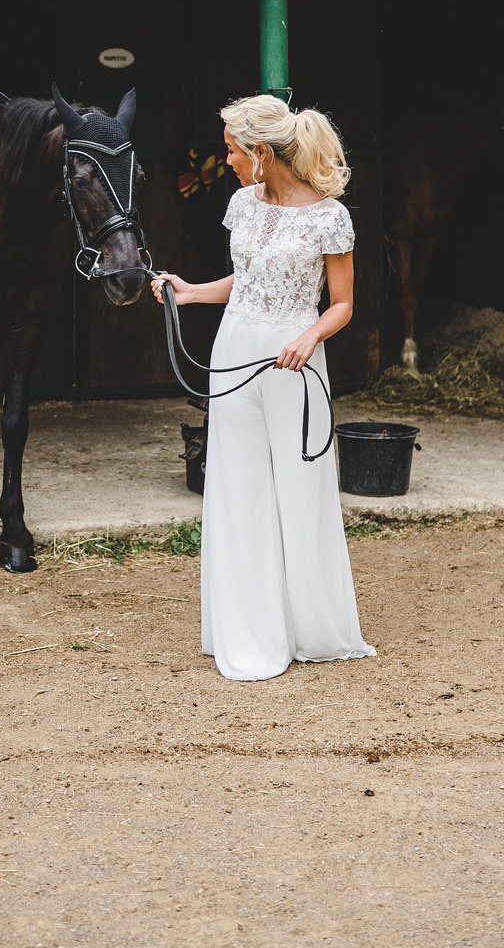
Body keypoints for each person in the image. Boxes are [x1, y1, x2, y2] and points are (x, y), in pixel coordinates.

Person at [152, 94, 374, 682]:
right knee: (236, 489)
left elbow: (344, 303)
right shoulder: (241, 204)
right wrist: (189, 291)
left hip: (293, 365)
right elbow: (246, 281)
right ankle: (248, 630)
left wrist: (310, 336)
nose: (224, 159)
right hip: (233, 356)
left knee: (301, 493)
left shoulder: (330, 216)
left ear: (260, 152)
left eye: (230, 150)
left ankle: (312, 629)